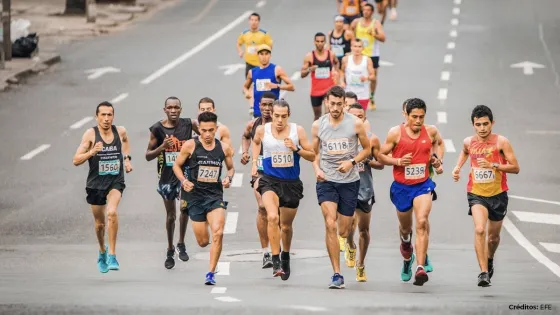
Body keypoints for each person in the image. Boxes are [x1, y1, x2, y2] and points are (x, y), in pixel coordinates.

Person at [452, 105, 520, 287]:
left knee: (493, 238)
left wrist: (494, 165)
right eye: (478, 124)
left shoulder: (501, 142)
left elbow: (515, 168)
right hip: (476, 194)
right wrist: (458, 167)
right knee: (480, 229)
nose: (482, 128)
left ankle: (489, 258)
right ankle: (483, 272)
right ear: (473, 125)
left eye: (485, 124)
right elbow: (465, 151)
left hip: (498, 194)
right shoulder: (468, 141)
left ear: (492, 123)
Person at [377, 98, 443, 286]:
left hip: (422, 185)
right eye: (414, 117)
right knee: (406, 230)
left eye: (421, 117)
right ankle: (407, 255)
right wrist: (397, 162)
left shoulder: (430, 131)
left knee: (422, 221)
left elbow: (438, 143)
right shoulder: (395, 133)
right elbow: (380, 155)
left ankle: (420, 267)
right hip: (401, 188)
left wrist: (437, 159)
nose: (418, 121)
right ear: (405, 115)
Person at [311, 86, 371, 289]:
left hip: (350, 181)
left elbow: (367, 149)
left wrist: (351, 162)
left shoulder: (355, 124)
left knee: (344, 231)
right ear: (326, 102)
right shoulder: (318, 125)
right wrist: (316, 168)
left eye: (339, 104)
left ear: (344, 103)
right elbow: (314, 153)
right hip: (327, 180)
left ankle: (348, 243)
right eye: (332, 103)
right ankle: (337, 274)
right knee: (330, 223)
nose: (335, 108)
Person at [251, 99, 316, 280]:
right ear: (272, 114)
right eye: (277, 116)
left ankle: (285, 255)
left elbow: (312, 155)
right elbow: (256, 142)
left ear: (289, 116)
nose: (280, 120)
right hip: (269, 181)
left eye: (284, 116)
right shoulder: (262, 130)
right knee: (272, 216)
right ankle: (275, 259)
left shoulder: (298, 131)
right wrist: (255, 163)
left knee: (286, 227)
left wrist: (296, 149)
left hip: (291, 183)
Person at [172, 111, 235, 285]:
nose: (207, 134)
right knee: (202, 242)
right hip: (195, 197)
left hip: (214, 196)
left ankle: (210, 273)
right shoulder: (190, 146)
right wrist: (184, 181)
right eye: (204, 130)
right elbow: (176, 166)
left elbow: (231, 168)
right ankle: (207, 223)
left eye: (211, 130)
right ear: (199, 129)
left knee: (218, 232)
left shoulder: (223, 147)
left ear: (216, 129)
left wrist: (229, 178)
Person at [73, 101, 133, 273]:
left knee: (112, 212)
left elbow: (126, 142)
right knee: (99, 224)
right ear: (97, 116)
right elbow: (76, 160)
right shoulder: (90, 135)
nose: (106, 118)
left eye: (109, 115)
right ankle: (102, 250)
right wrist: (92, 152)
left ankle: (113, 255)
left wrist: (127, 159)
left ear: (113, 116)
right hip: (96, 184)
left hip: (115, 181)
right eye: (103, 115)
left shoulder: (120, 131)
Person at [146, 97, 193, 269]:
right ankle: (170, 248)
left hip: (184, 176)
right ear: (164, 110)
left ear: (181, 109)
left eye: (176, 108)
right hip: (166, 178)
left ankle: (181, 242)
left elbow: (205, 131)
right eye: (170, 108)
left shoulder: (188, 125)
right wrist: (162, 147)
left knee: (185, 208)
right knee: (171, 215)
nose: (173, 110)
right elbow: (148, 156)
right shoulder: (157, 129)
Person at [343, 104, 383, 282]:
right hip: (346, 186)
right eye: (354, 116)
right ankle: (350, 245)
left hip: (365, 188)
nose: (358, 119)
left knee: (364, 230)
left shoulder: (372, 139)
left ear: (365, 118)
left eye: (361, 116)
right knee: (349, 223)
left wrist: (367, 160)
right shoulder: (340, 137)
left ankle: (361, 263)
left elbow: (380, 164)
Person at [240, 91, 276, 269]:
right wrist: (245, 152)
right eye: (264, 105)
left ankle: (279, 249)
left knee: (277, 214)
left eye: (271, 105)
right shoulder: (252, 124)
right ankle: (266, 252)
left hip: (280, 174)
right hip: (260, 172)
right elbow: (246, 136)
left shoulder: (280, 125)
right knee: (262, 207)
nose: (267, 108)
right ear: (259, 106)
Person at [236, 12, 274, 116]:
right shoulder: (244, 34)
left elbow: (270, 46)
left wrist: (261, 49)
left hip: (261, 64)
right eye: (251, 20)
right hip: (249, 63)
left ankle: (262, 104)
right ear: (249, 21)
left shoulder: (264, 34)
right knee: (249, 86)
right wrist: (240, 51)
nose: (253, 22)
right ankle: (252, 106)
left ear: (258, 22)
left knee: (260, 85)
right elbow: (238, 43)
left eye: (255, 20)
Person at [243, 44, 295, 118]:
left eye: (266, 54)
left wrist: (276, 86)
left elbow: (292, 87)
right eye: (261, 54)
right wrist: (247, 93)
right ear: (258, 55)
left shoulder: (277, 69)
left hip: (273, 111)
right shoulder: (252, 72)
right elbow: (245, 87)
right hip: (258, 111)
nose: (264, 57)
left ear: (270, 55)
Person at [350, 3, 385, 110]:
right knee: (354, 74)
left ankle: (371, 96)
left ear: (372, 12)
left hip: (372, 54)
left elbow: (383, 38)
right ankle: (354, 96)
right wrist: (352, 44)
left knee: (373, 77)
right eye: (364, 10)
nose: (365, 12)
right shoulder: (356, 22)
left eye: (368, 10)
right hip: (359, 53)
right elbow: (350, 33)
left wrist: (374, 34)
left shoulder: (376, 23)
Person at [301, 32, 338, 121]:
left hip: (329, 89)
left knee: (328, 113)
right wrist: (310, 69)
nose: (320, 43)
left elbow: (336, 62)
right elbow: (302, 74)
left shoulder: (331, 54)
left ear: (325, 42)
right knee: (317, 115)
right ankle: (317, 133)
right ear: (314, 42)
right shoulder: (309, 56)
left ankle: (328, 133)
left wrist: (335, 71)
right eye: (318, 41)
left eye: (322, 41)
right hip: (316, 91)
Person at [340, 39, 376, 111]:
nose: (357, 49)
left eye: (359, 46)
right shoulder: (345, 59)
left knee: (360, 117)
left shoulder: (367, 60)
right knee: (348, 117)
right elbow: (342, 71)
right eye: (355, 46)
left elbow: (373, 76)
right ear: (351, 47)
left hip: (363, 95)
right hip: (349, 94)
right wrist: (342, 81)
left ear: (363, 48)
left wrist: (366, 78)